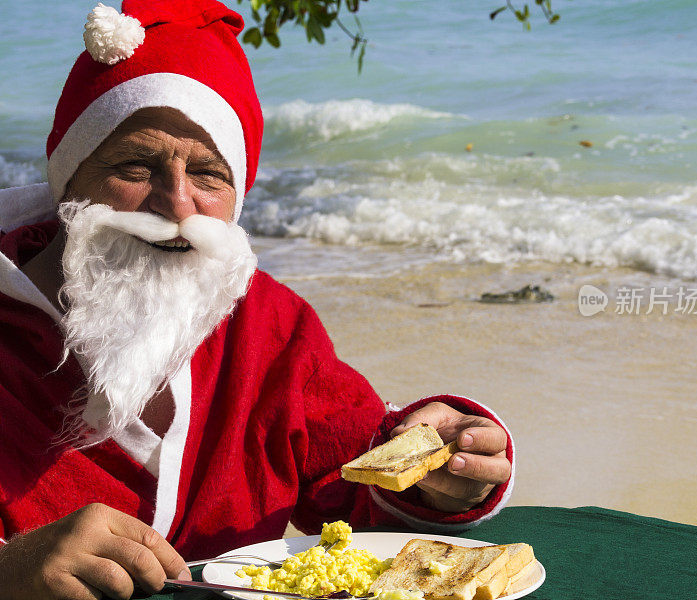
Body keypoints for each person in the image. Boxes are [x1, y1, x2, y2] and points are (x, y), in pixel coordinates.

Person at [0, 2, 515, 599]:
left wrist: (447, 468)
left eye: (208, 175)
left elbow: (356, 483)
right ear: (70, 180)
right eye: (135, 166)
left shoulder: (270, 325)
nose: (177, 205)